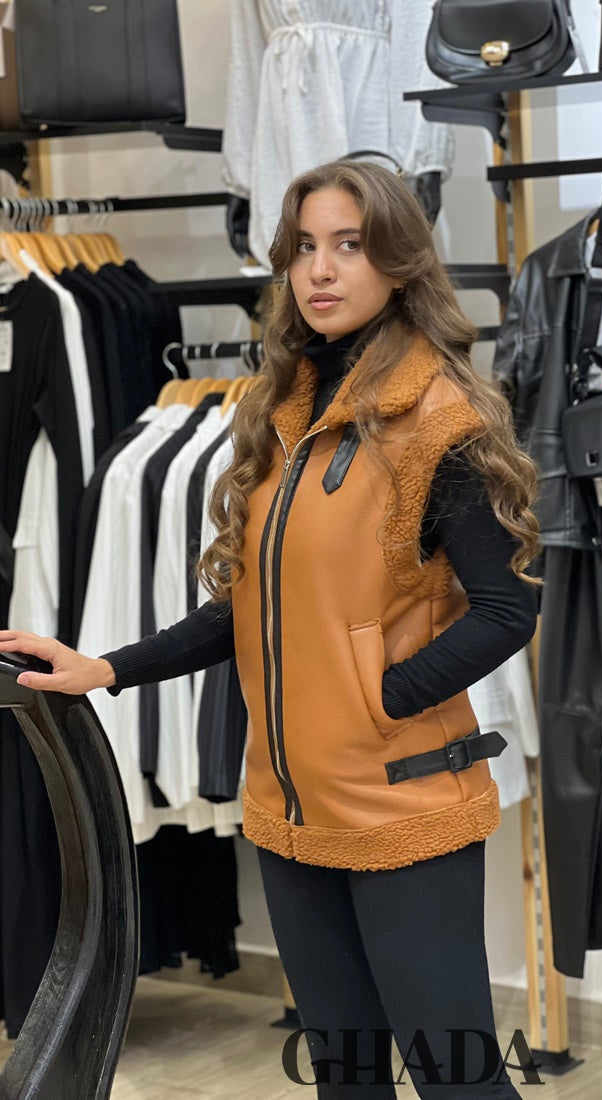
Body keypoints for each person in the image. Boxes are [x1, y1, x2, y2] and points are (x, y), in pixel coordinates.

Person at [0, 161, 540, 1098]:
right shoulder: (284, 414)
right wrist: (105, 668)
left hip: (404, 808)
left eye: (349, 246)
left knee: (457, 1080)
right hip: (290, 813)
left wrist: (380, 696)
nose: (319, 270)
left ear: (399, 264)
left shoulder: (436, 420)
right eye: (303, 248)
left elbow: (507, 609)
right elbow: (245, 609)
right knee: (346, 1078)